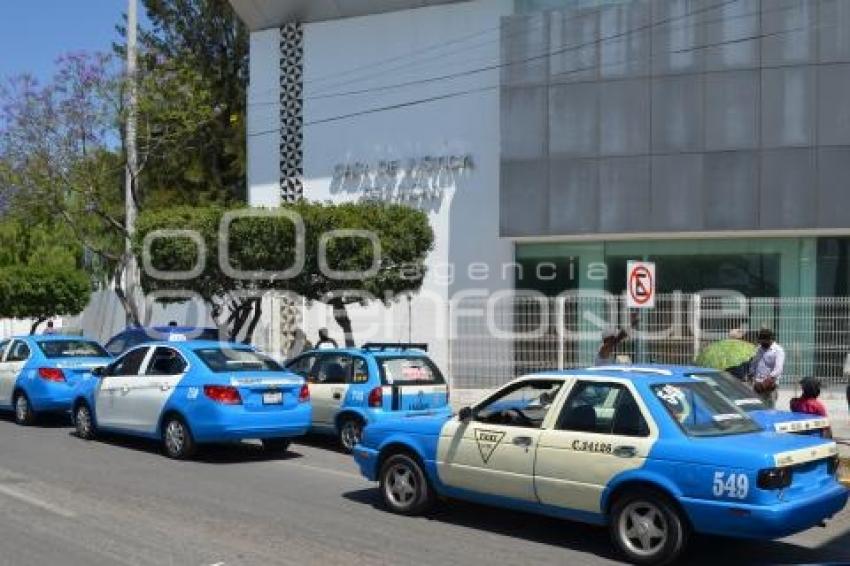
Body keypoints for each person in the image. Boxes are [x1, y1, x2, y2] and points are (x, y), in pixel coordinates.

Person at [748, 328, 784, 409]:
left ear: (771, 339)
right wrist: (751, 374)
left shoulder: (778, 350)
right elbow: (754, 363)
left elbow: (778, 368)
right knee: (756, 409)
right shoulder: (758, 349)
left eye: (764, 342)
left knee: (769, 409)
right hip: (757, 385)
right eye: (761, 341)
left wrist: (768, 380)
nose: (762, 344)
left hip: (770, 385)